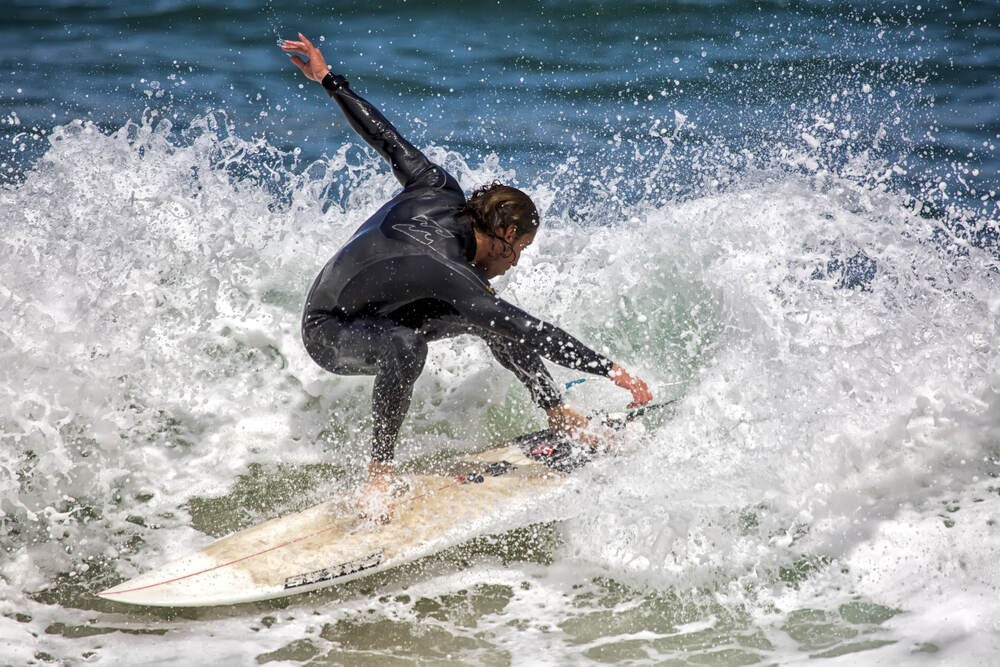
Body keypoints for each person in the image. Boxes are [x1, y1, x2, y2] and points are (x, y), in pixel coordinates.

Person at [281, 34, 652, 521]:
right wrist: (612, 371)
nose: (516, 261)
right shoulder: (450, 272)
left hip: (381, 308)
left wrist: (329, 79)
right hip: (330, 328)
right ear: (505, 232)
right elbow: (528, 328)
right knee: (413, 343)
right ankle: (378, 479)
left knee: (488, 315)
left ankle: (559, 414)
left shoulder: (437, 185)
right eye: (519, 249)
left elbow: (386, 138)